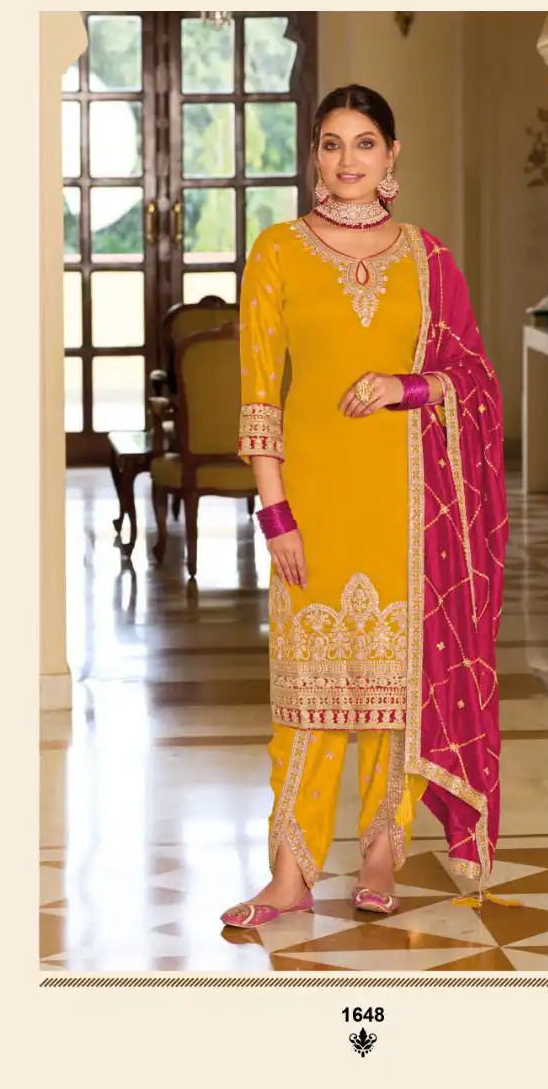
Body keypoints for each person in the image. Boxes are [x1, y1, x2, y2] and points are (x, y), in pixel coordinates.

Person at [220, 84, 509, 929]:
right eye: (332, 143)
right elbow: (259, 397)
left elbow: (475, 380)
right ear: (315, 154)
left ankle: (382, 855)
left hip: (409, 506)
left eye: (365, 143)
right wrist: (276, 514)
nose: (348, 160)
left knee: (394, 695)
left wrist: (405, 386)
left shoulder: (428, 258)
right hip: (314, 498)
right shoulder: (277, 251)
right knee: (304, 698)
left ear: (392, 156)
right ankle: (290, 873)